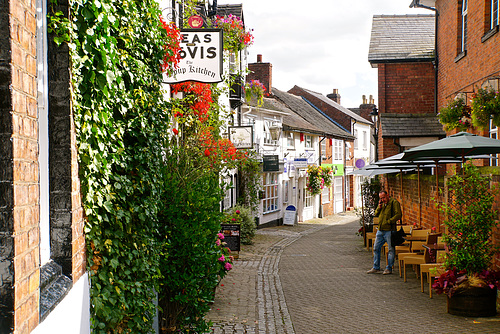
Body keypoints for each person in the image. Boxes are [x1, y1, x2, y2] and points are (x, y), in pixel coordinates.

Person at [366, 190, 402, 275]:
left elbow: (398, 214)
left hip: (389, 230)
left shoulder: (394, 203)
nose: (383, 199)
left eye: (384, 197)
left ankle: (389, 268)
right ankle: (376, 267)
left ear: (388, 195)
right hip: (380, 229)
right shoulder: (382, 204)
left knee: (390, 249)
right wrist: (379, 207)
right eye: (381, 198)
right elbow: (376, 213)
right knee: (376, 248)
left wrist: (389, 221)